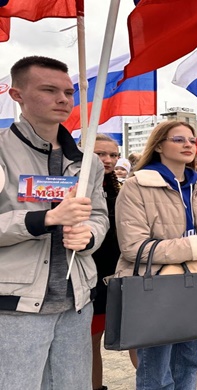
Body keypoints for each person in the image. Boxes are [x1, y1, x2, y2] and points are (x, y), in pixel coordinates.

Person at [0, 56, 109, 389]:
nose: (63, 99)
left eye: (68, 91)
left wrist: (89, 235)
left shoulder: (88, 160)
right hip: (16, 305)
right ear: (17, 94)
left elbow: (100, 215)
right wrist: (43, 219)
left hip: (76, 301)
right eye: (49, 90)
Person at [114, 121, 197, 388]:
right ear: (159, 145)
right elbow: (134, 248)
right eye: (179, 139)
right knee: (155, 372)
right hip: (157, 289)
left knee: (189, 366)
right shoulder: (136, 187)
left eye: (193, 141)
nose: (189, 145)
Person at [91, 134, 135, 390]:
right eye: (100, 154)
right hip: (91, 279)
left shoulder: (123, 188)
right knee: (90, 344)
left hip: (123, 276)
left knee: (138, 339)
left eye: (113, 155)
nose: (107, 160)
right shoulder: (75, 187)